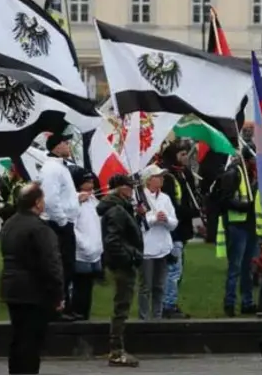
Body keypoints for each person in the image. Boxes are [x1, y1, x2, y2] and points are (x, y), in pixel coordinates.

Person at [0, 182, 64, 375]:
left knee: (18, 339)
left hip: (12, 288)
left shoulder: (10, 224)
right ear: (37, 203)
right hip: (34, 291)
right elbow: (51, 263)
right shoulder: (40, 228)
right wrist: (58, 294)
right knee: (32, 342)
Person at [97, 173, 144, 367]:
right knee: (121, 307)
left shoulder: (119, 207)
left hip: (121, 261)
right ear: (121, 188)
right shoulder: (116, 210)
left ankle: (117, 349)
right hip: (122, 265)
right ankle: (116, 350)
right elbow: (113, 240)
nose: (132, 190)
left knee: (122, 306)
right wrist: (129, 257)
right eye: (130, 187)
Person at [39, 132, 80, 320]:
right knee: (60, 266)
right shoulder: (51, 169)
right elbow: (50, 199)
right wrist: (62, 221)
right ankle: (57, 307)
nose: (68, 144)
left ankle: (66, 304)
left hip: (65, 222)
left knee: (68, 267)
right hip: (57, 224)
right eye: (65, 142)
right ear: (56, 147)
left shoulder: (61, 167)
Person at [159, 140, 197, 319]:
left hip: (182, 229)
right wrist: (191, 212)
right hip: (173, 230)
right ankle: (168, 305)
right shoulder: (168, 176)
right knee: (174, 269)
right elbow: (172, 205)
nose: (185, 158)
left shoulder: (183, 174)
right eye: (182, 154)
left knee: (177, 270)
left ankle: (169, 301)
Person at [217, 152, 258, 317]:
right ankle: (230, 303)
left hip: (250, 225)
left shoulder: (251, 174)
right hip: (237, 225)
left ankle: (247, 302)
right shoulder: (233, 174)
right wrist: (245, 206)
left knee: (249, 267)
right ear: (247, 160)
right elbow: (225, 199)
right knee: (236, 267)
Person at [139, 164, 178, 320]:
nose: (161, 179)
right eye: (158, 176)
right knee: (145, 286)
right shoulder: (139, 197)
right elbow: (140, 223)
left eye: (162, 176)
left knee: (159, 286)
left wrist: (166, 219)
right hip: (147, 248)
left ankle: (157, 316)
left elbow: (174, 223)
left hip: (163, 247)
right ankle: (143, 318)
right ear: (148, 180)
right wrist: (155, 219)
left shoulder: (165, 198)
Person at [69, 167, 102, 320]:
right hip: (81, 253)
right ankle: (78, 317)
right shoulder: (74, 201)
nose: (91, 184)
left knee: (88, 288)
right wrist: (85, 245)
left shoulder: (91, 200)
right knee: (80, 288)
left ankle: (85, 317)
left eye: (91, 181)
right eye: (87, 182)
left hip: (94, 253)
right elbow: (71, 227)